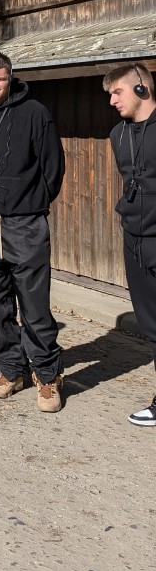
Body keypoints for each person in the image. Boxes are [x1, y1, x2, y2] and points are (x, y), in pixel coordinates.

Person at [0, 53, 66, 414]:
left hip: (24, 224)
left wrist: (29, 203)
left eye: (0, 79)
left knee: (34, 306)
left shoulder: (36, 114)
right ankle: (11, 369)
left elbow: (53, 169)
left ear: (11, 79)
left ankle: (48, 375)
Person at [103, 63, 156, 426]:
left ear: (141, 88)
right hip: (135, 242)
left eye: (117, 92)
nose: (112, 101)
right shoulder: (117, 134)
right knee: (151, 326)